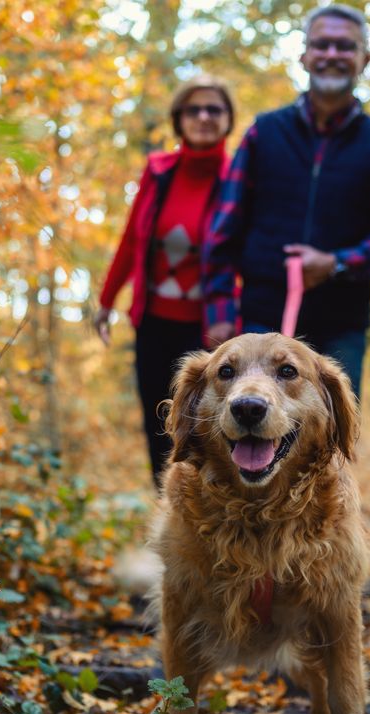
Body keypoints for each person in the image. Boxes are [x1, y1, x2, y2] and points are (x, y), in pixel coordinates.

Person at [202, 4, 370, 397]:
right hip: (257, 326)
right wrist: (219, 314)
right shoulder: (264, 133)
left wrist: (336, 263)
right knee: (248, 440)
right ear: (304, 56)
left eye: (344, 46)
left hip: (340, 332)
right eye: (321, 45)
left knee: (329, 446)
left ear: (364, 59)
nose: (332, 55)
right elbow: (223, 229)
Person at [94, 75, 234, 486]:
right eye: (194, 109)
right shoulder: (158, 172)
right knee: (159, 425)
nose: (204, 117)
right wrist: (106, 300)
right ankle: (171, 517)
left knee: (209, 428)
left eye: (215, 109)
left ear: (228, 120)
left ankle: (216, 520)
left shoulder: (237, 179)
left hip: (210, 330)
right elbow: (131, 239)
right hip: (153, 323)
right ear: (178, 119)